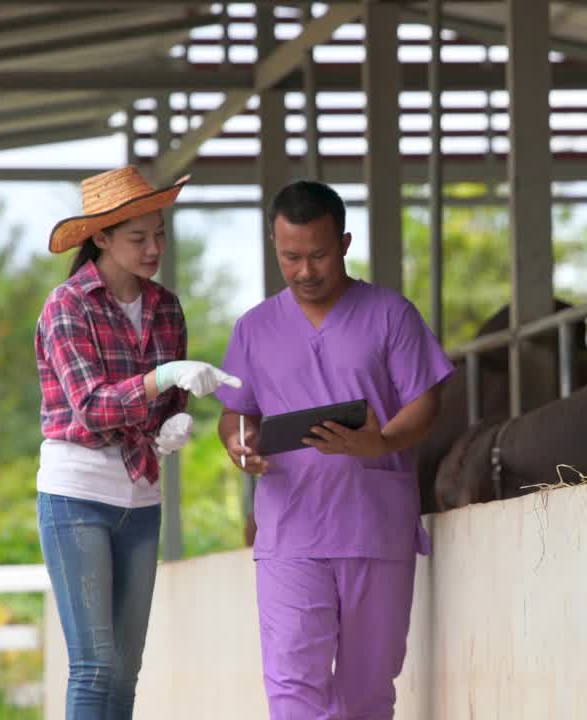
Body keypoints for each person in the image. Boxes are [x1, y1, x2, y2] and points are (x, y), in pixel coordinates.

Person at [215, 180, 452, 719]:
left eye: (318, 255)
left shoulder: (390, 315)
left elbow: (426, 399)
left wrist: (384, 439)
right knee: (293, 687)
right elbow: (236, 410)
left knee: (367, 691)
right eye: (290, 256)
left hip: (374, 526)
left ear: (343, 243)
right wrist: (238, 441)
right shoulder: (254, 329)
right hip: (290, 530)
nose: (304, 270)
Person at [34, 166, 241, 719]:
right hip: (76, 498)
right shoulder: (67, 306)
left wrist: (174, 420)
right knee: (95, 664)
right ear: (100, 237)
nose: (154, 247)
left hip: (141, 498)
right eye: (138, 237)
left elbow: (168, 401)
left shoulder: (167, 307)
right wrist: (163, 378)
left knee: (126, 672)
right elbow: (94, 408)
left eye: (160, 234)